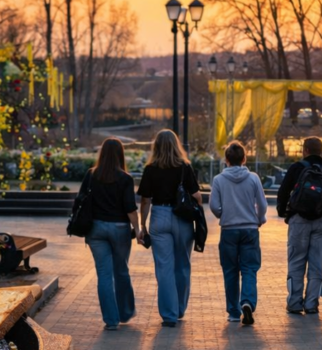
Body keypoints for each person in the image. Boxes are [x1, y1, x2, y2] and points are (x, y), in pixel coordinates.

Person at [137, 129, 201, 327]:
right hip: (182, 218)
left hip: (159, 216)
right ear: (176, 145)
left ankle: (169, 315)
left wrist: (142, 225)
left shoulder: (151, 169)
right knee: (182, 264)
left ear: (156, 146)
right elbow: (197, 196)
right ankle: (180, 308)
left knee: (164, 267)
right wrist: (198, 215)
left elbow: (145, 200)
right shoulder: (184, 167)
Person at [82, 138, 139, 331]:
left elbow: (81, 200)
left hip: (95, 229)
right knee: (121, 270)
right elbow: (130, 208)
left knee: (104, 275)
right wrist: (138, 229)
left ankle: (111, 320)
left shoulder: (91, 175)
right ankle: (125, 312)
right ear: (120, 155)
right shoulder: (125, 179)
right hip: (120, 229)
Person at [277, 136, 322, 315]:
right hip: (321, 222)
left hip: (299, 220)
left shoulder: (296, 168)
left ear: (305, 150)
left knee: (296, 261)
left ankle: (295, 303)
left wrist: (283, 212)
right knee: (317, 263)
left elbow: (283, 192)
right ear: (321, 151)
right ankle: (311, 303)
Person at [209, 141, 267, 326]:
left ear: (226, 159)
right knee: (249, 268)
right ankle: (247, 302)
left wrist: (223, 214)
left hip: (229, 230)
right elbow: (263, 204)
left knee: (230, 270)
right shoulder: (253, 178)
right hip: (250, 229)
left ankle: (234, 312)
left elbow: (213, 206)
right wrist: (259, 219)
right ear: (244, 159)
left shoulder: (219, 180)